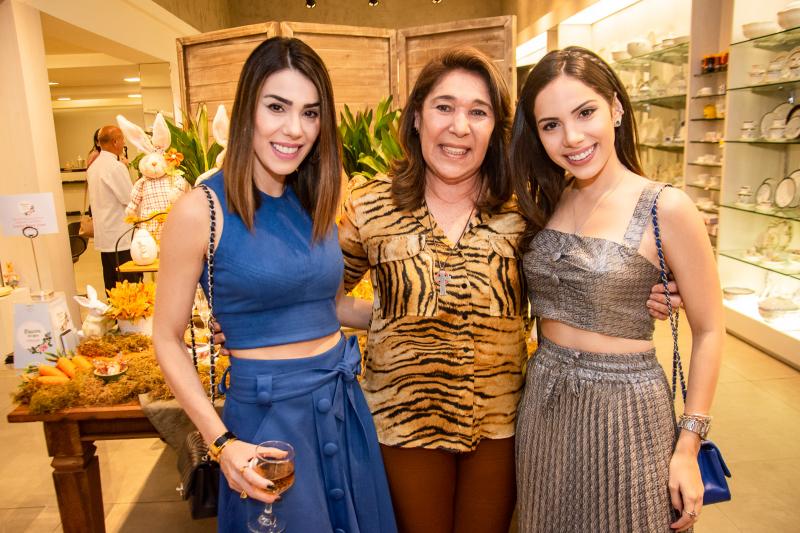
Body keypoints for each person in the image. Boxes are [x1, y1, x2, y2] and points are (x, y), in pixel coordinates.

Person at [338, 47, 682, 533]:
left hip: (501, 424)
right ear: (417, 117)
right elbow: (322, 296)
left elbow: (577, 278)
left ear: (495, 128)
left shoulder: (528, 209)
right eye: (444, 107)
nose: (459, 127)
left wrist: (644, 289)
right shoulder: (370, 205)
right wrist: (390, 312)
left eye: (478, 112)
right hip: (403, 419)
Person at [152, 37, 396, 533]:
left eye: (310, 113)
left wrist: (401, 313)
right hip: (268, 426)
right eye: (277, 107)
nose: (295, 129)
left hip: (342, 407)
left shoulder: (317, 197)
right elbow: (166, 337)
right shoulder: (201, 210)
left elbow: (328, 307)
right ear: (248, 110)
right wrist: (222, 443)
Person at [510, 46, 723, 533]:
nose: (572, 137)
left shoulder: (666, 207)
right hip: (543, 402)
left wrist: (688, 443)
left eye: (585, 112)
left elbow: (711, 329)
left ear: (616, 109)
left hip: (625, 410)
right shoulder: (546, 199)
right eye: (551, 124)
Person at [86, 125, 142, 291]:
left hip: (105, 234)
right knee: (128, 285)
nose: (124, 143)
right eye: (123, 140)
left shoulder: (94, 166)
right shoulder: (115, 167)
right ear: (115, 142)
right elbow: (128, 198)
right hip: (120, 234)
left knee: (112, 284)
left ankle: (115, 308)